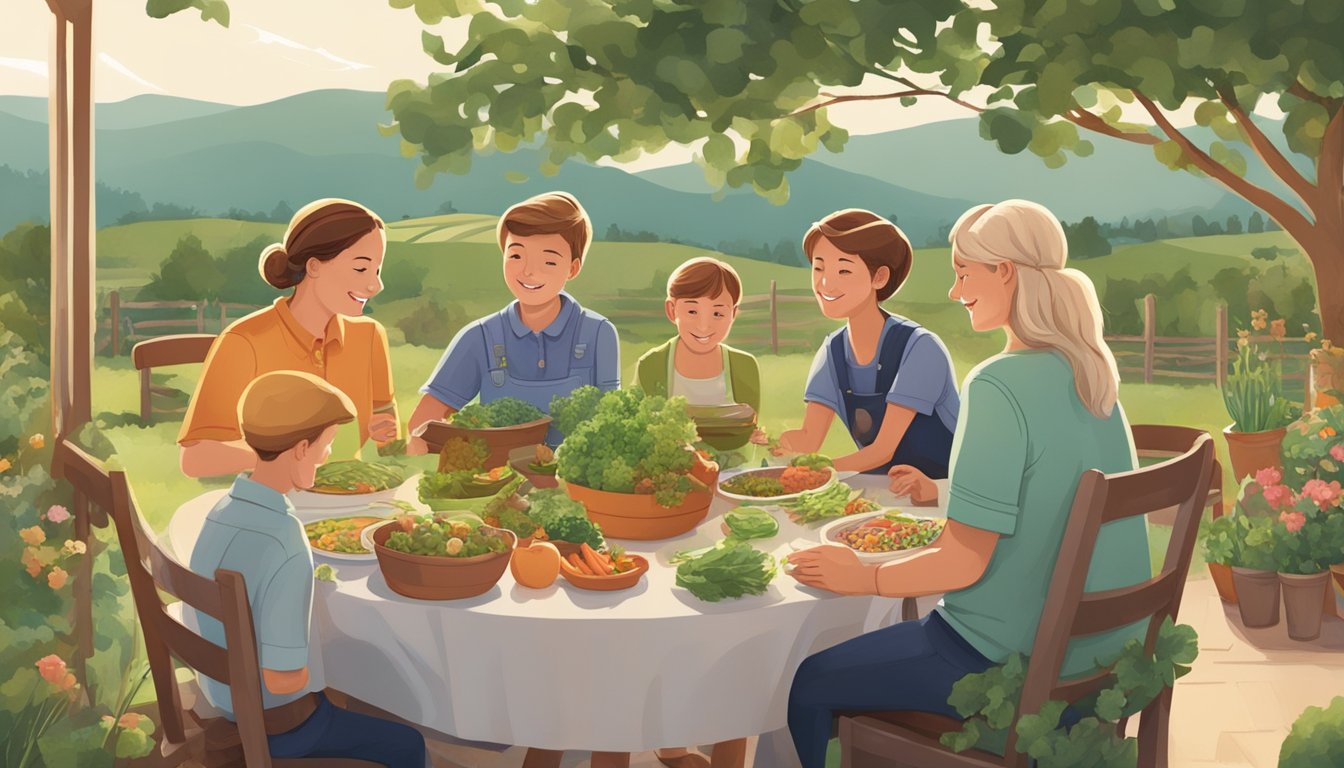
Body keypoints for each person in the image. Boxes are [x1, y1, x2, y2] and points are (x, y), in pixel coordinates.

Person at [783, 200, 1151, 768]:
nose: (955, 292)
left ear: (1004, 271)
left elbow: (962, 564)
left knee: (810, 681)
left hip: (1004, 660)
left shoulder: (998, 383)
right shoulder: (1091, 373)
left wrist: (864, 578)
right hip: (1098, 660)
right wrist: (944, 493)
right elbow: (1051, 491)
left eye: (962, 273)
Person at [186, 371, 427, 767]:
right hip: (282, 727)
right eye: (326, 446)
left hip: (222, 695)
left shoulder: (221, 510)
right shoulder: (285, 539)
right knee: (408, 742)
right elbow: (282, 679)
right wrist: (335, 660)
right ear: (300, 448)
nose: (327, 456)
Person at [178, 198, 399, 478]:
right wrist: (293, 457)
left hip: (352, 501)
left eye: (377, 270)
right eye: (361, 268)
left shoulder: (369, 337)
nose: (375, 285)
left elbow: (386, 432)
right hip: (271, 504)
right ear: (314, 266)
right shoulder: (244, 341)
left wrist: (385, 433)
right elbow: (196, 458)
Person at [407, 191, 619, 452]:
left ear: (573, 268)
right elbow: (422, 425)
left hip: (574, 485)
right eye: (516, 256)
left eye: (549, 261)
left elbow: (613, 423)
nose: (528, 271)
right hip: (495, 481)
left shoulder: (598, 333)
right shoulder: (479, 337)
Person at [776, 210, 959, 478]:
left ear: (880, 277)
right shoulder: (833, 351)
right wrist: (774, 443)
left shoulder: (920, 348)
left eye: (844, 270)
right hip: (884, 489)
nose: (826, 282)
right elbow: (809, 439)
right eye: (819, 267)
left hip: (943, 491)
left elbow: (883, 450)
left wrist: (817, 473)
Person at [634, 257, 763, 452]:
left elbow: (747, 430)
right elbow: (640, 428)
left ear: (733, 314)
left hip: (733, 475)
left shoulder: (744, 365)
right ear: (671, 310)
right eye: (692, 311)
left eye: (717, 314)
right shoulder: (651, 364)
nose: (704, 326)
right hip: (670, 475)